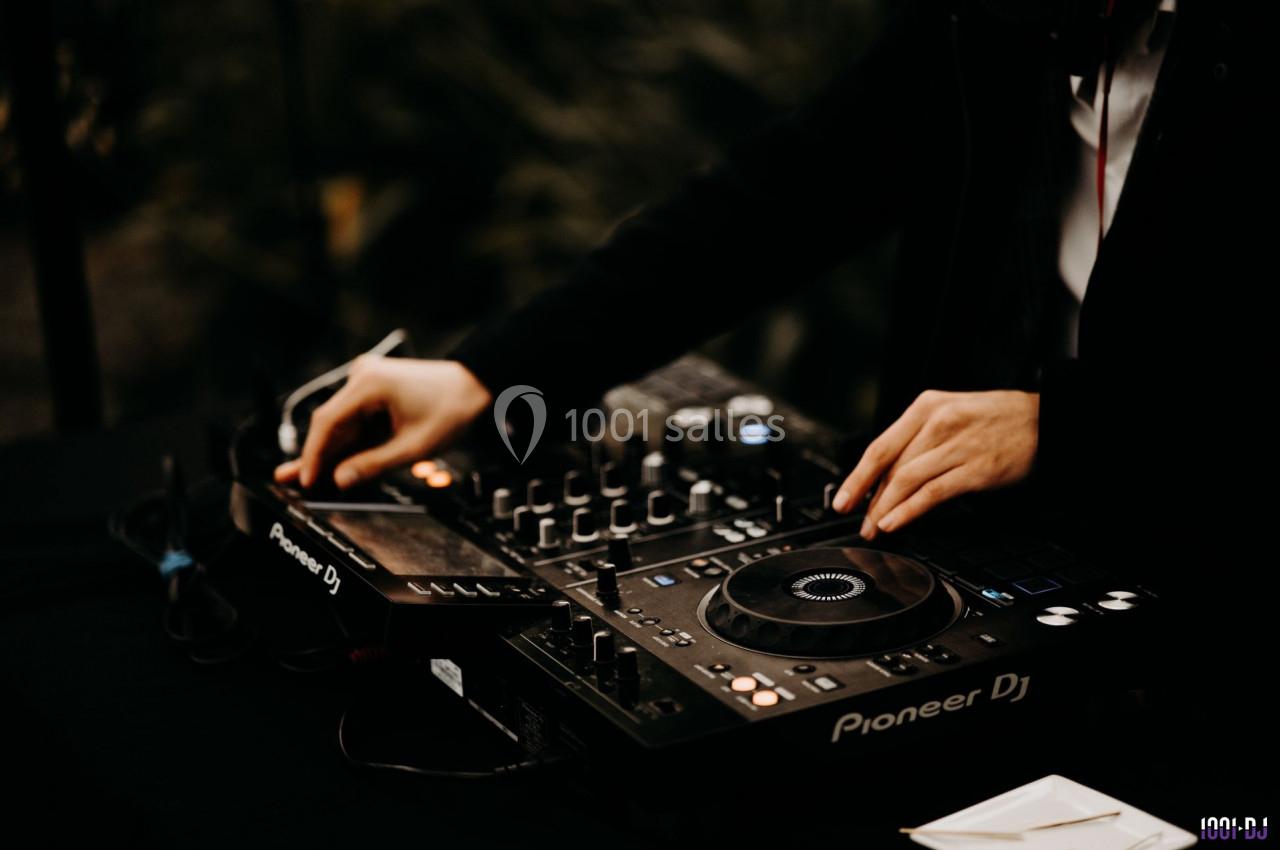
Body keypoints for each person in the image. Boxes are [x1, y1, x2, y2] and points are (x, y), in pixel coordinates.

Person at [277, 0, 1265, 568]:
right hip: (962, 557)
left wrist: (1066, 426)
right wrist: (490, 370)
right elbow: (778, 201)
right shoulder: (996, 16)